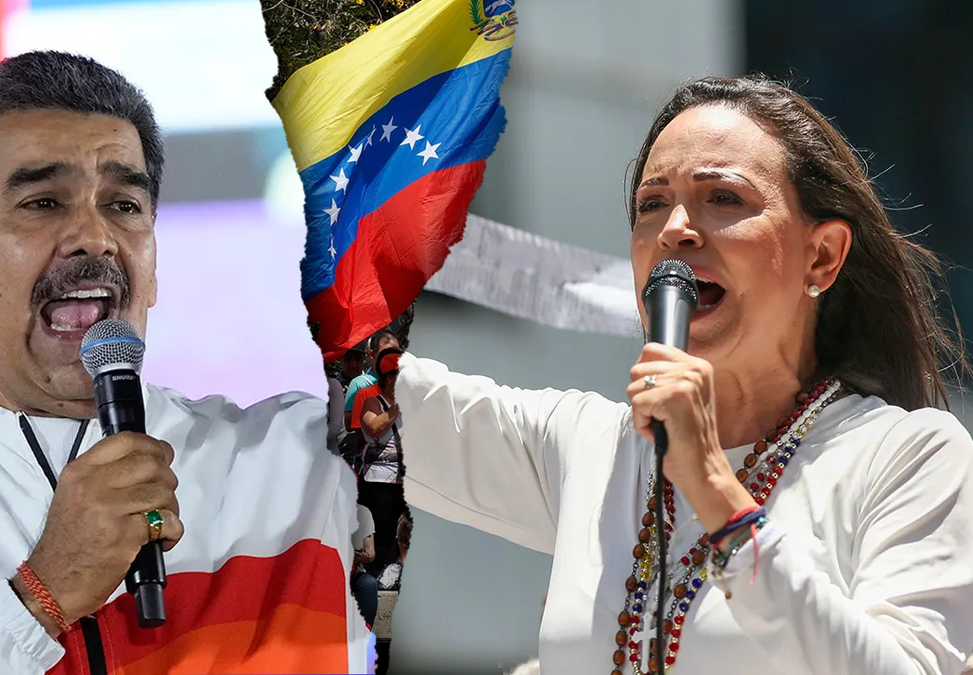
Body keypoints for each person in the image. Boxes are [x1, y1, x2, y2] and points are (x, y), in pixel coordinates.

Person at [0, 51, 365, 674]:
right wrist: (42, 595)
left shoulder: (302, 462)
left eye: (124, 205)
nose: (94, 237)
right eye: (44, 203)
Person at [395, 75, 973, 674]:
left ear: (821, 256)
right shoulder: (589, 446)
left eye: (723, 197)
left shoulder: (908, 457)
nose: (675, 230)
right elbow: (368, 403)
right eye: (651, 204)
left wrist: (713, 486)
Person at [359, 349, 406, 573]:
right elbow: (375, 427)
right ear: (391, 378)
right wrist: (398, 406)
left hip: (406, 482)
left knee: (402, 535)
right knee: (381, 533)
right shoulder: (372, 403)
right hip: (378, 483)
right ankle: (373, 578)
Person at [345, 329, 401, 428]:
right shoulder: (360, 384)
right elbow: (352, 424)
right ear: (371, 355)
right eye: (387, 352)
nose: (393, 356)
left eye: (396, 352)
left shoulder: (403, 383)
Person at [351, 503, 379, 627]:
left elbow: (371, 552)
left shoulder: (363, 512)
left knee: (369, 584)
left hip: (355, 570)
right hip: (331, 569)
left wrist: (362, 556)